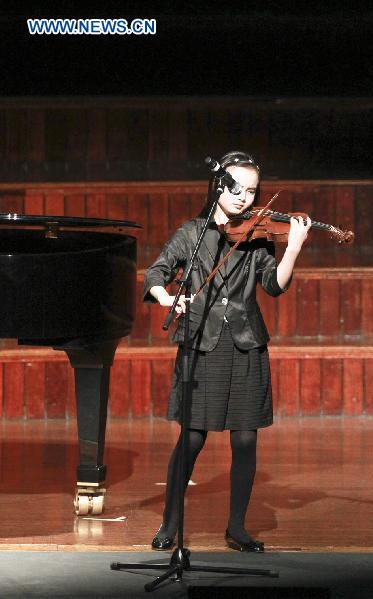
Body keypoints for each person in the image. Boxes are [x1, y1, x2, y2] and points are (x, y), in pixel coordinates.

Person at [143, 150, 311, 552]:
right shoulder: (192, 232)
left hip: (246, 343)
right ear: (217, 184)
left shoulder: (255, 239)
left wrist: (292, 250)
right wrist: (168, 299)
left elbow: (274, 286)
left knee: (245, 441)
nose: (243, 198)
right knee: (192, 438)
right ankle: (171, 523)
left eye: (251, 191)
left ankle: (237, 527)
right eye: (235, 188)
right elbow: (156, 272)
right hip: (201, 342)